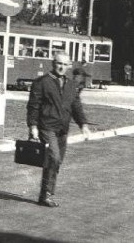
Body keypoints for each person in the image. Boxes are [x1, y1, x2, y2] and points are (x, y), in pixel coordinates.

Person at [27, 52, 91, 207]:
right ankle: (47, 195)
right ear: (53, 63)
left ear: (69, 66)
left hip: (63, 129)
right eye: (59, 63)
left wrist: (83, 124)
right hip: (47, 127)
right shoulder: (41, 83)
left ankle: (45, 195)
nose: (61, 67)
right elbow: (33, 106)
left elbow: (76, 106)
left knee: (56, 162)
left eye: (65, 64)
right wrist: (33, 126)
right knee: (54, 158)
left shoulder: (70, 85)